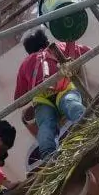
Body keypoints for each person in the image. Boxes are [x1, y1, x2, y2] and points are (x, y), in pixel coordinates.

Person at [14, 28, 90, 160]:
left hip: (42, 97)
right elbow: (87, 51)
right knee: (72, 105)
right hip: (63, 87)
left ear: (28, 49)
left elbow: (18, 99)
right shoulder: (56, 47)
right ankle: (87, 128)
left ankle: (48, 157)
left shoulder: (25, 64)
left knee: (45, 126)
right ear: (45, 41)